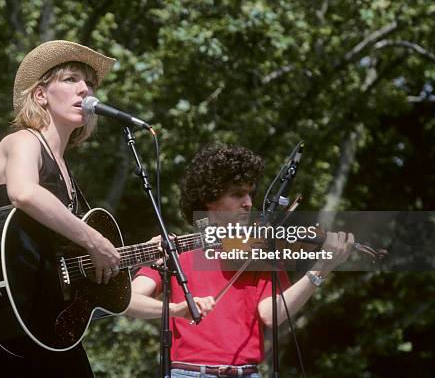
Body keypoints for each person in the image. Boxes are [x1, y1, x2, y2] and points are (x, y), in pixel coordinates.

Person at [126, 144, 354, 378]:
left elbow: (270, 313)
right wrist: (174, 310)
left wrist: (320, 269)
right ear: (209, 199)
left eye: (250, 194)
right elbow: (129, 300)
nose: (248, 202)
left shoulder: (258, 251)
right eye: (237, 194)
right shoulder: (177, 250)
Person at [0, 40, 121, 377]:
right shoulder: (22, 141)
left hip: (52, 330)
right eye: (70, 80)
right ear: (40, 95)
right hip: (5, 326)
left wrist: (151, 258)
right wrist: (94, 240)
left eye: (90, 83)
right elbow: (24, 192)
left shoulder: (68, 175)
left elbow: (80, 275)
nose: (85, 89)